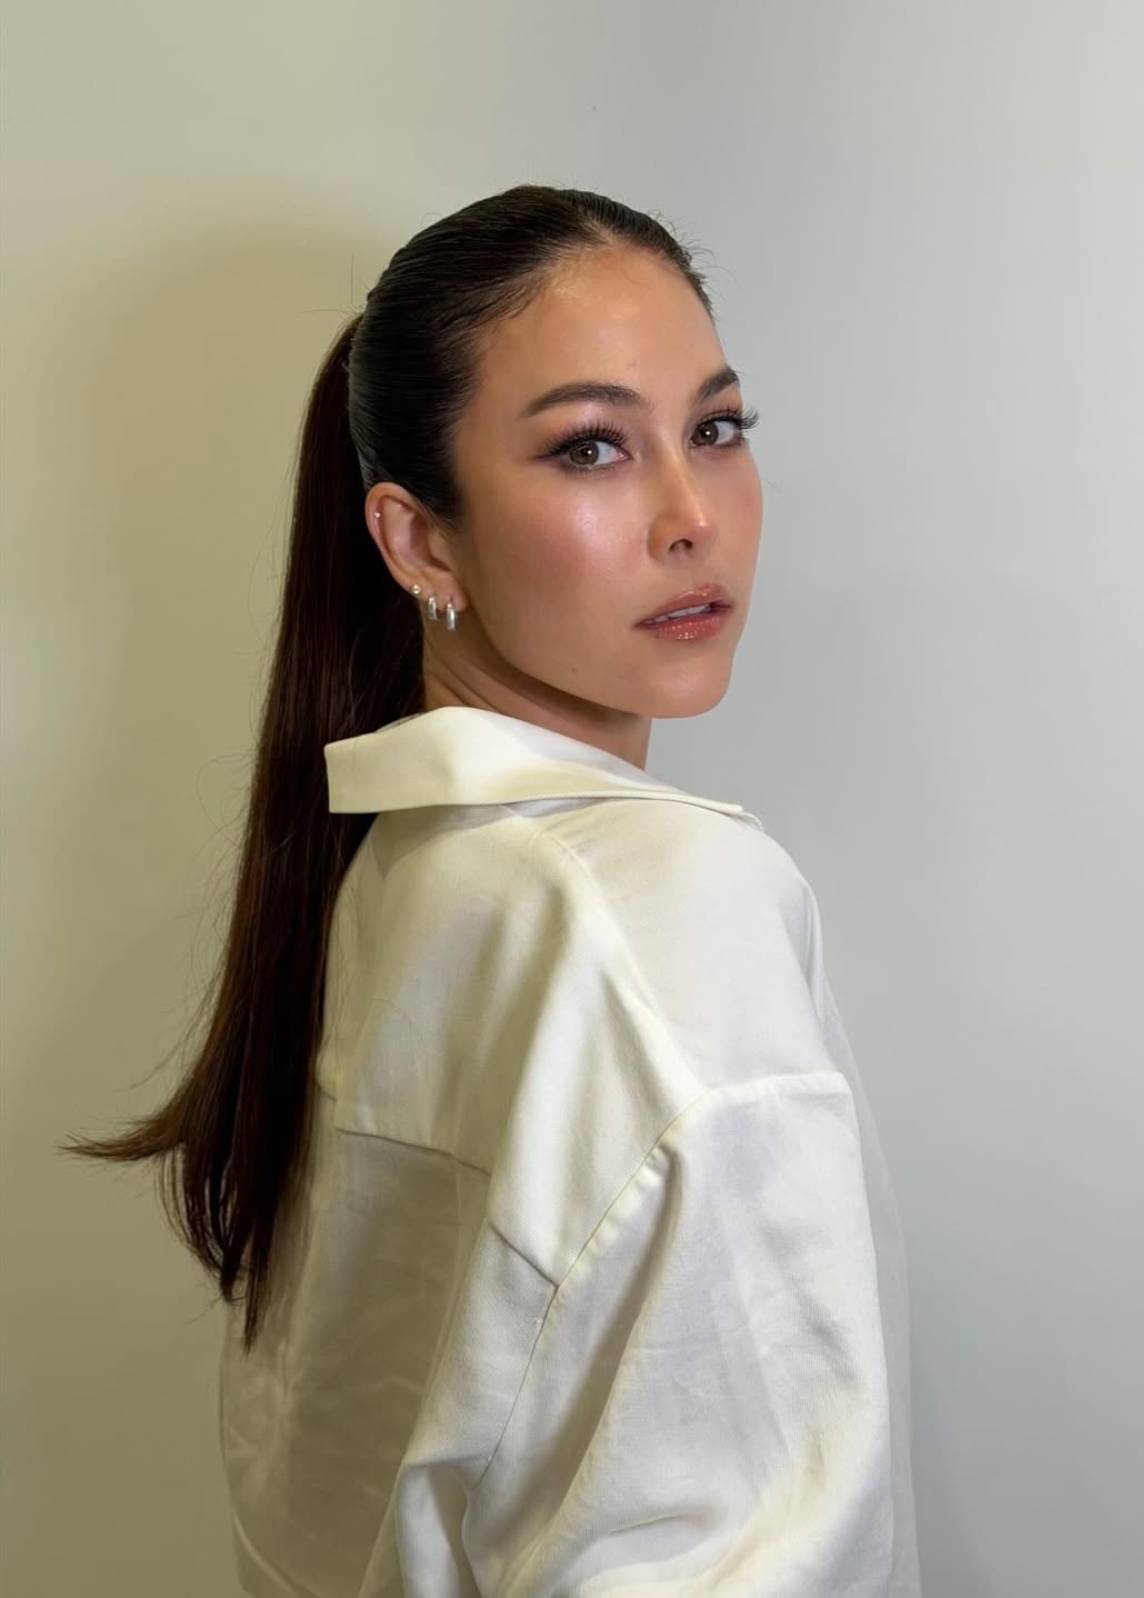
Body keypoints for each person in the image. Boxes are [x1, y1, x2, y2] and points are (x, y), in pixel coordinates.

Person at [62, 183, 922, 1595]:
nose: (691, 515)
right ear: (419, 541)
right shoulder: (660, 905)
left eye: (716, 428)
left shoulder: (394, 882)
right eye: (591, 447)